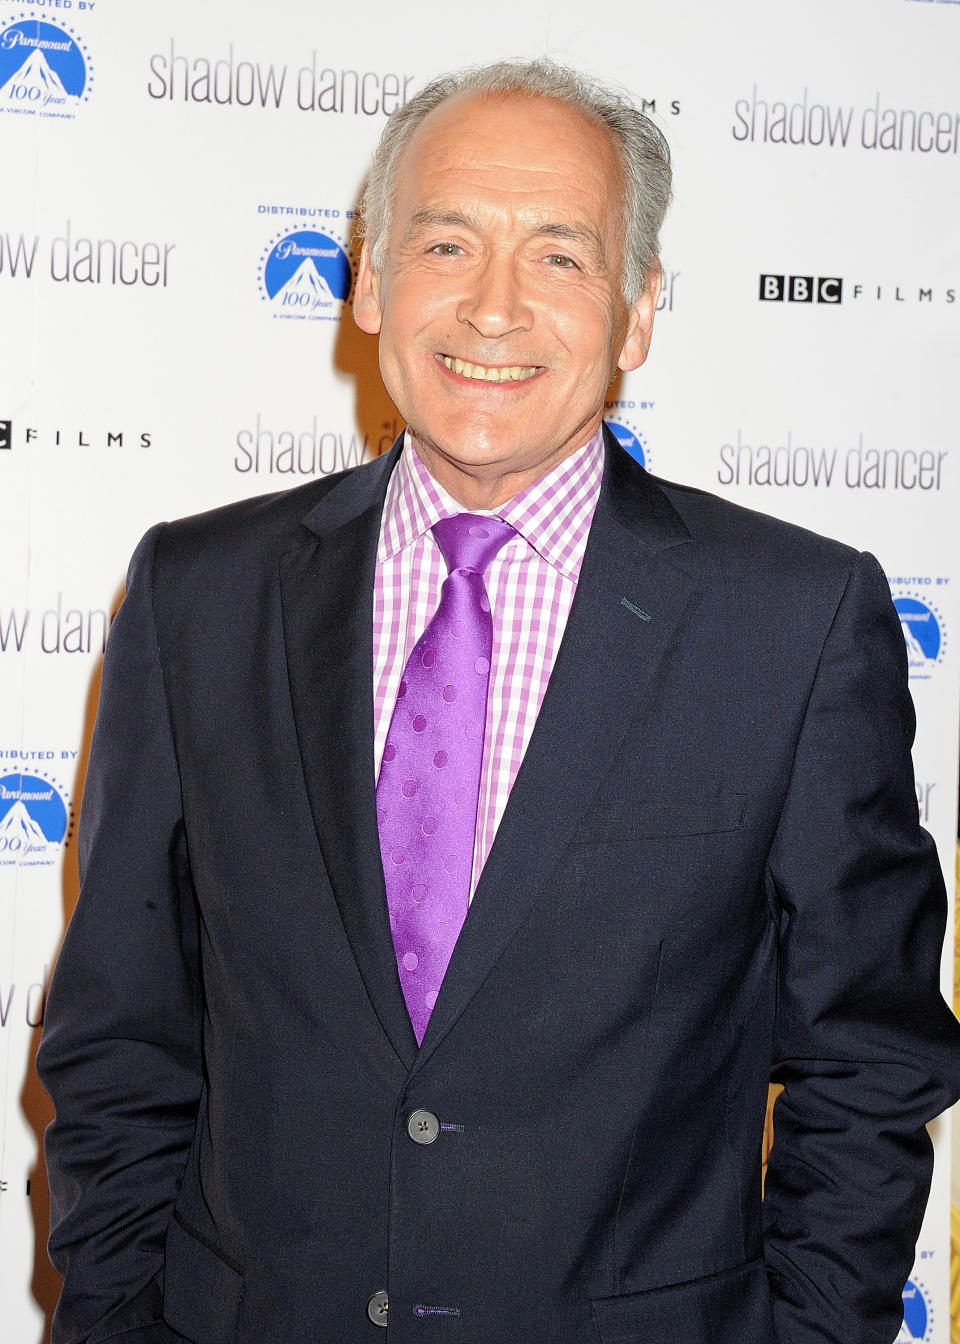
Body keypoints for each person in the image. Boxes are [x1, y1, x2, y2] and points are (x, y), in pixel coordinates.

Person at [38, 59, 960, 1344]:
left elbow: (869, 1068)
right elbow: (120, 1045)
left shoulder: (794, 623)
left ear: (639, 311)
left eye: (562, 257)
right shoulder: (199, 595)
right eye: (447, 241)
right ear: (368, 280)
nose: (492, 307)